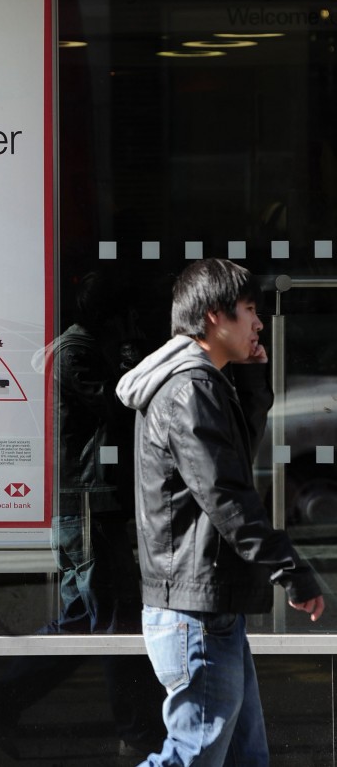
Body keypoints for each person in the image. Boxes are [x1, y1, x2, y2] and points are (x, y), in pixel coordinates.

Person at [116, 259, 324, 767]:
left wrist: (252, 379)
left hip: (204, 608)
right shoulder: (190, 388)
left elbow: (229, 463)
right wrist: (292, 570)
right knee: (193, 755)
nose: (258, 323)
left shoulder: (203, 384)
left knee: (242, 757)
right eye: (250, 310)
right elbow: (226, 493)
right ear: (214, 316)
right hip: (195, 613)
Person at [0, 271, 163, 760]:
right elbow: (118, 407)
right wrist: (129, 363)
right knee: (115, 620)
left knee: (86, 620)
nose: (134, 327)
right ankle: (137, 731)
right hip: (85, 503)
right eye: (129, 317)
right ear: (112, 316)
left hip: (92, 503)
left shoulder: (77, 349)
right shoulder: (75, 353)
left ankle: (1, 697)